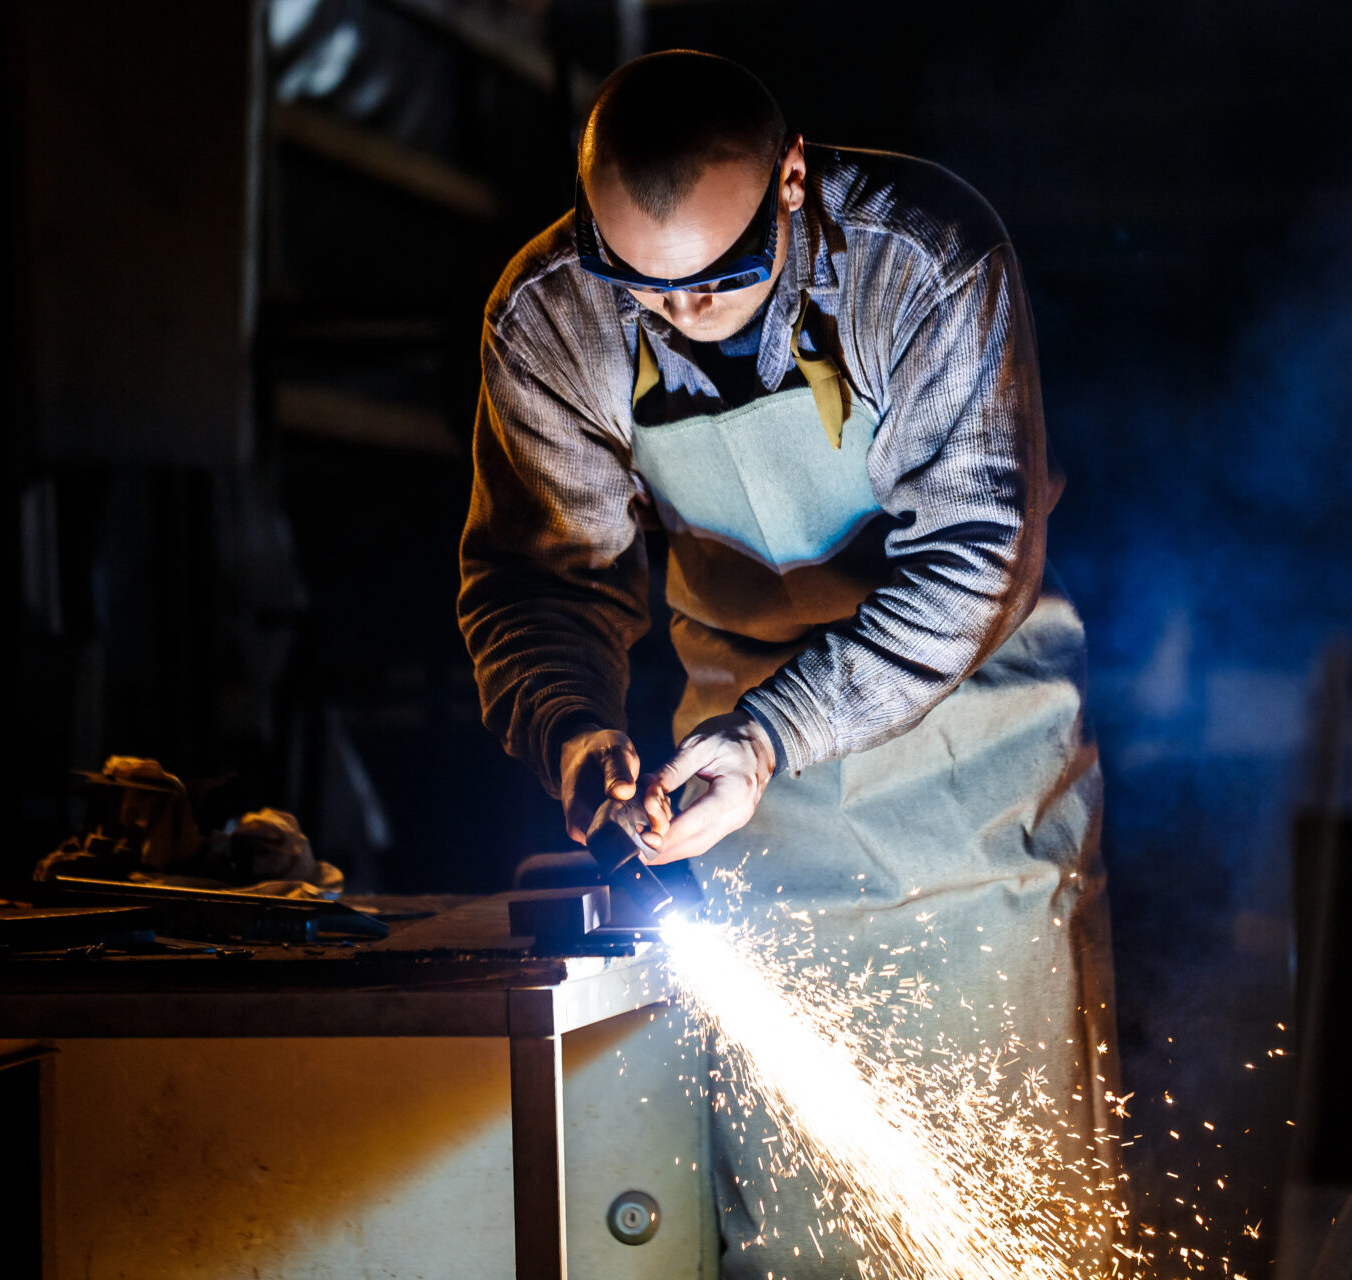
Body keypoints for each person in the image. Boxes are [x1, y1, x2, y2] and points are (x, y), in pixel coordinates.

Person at [458, 49, 1118, 1277]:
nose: (683, 311)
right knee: (803, 1218)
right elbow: (541, 577)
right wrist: (573, 729)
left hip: (972, 740)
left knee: (1022, 1174)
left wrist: (771, 735)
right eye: (642, 287)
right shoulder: (548, 316)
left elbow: (976, 556)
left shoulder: (919, 263)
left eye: (723, 278)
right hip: (747, 770)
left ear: (794, 181)